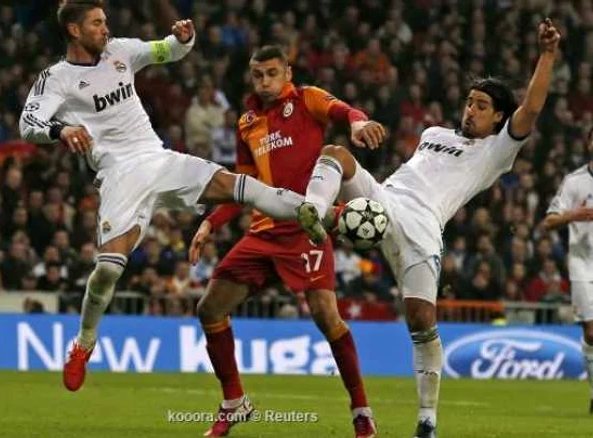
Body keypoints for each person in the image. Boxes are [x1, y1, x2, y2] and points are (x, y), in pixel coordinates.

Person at [19, 1, 304, 392]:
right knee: (108, 271)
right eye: (97, 23)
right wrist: (60, 131)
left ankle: (311, 212)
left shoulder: (120, 51)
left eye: (105, 21)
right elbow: (28, 122)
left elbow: (164, 50)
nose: (106, 28)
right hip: (119, 176)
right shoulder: (57, 79)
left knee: (236, 185)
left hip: (158, 158)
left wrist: (182, 38)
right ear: (74, 30)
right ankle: (84, 343)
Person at [297, 19, 561, 438]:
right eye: (469, 102)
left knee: (420, 320)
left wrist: (546, 55)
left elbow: (530, 108)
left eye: (480, 106)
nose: (470, 110)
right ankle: (313, 211)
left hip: (424, 228)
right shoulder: (432, 133)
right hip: (387, 200)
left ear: (498, 118)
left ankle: (426, 421)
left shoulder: (497, 151)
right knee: (336, 153)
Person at [188, 45, 385, 438]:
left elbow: (345, 112)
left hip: (305, 230)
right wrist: (212, 222)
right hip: (263, 231)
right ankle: (234, 402)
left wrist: (359, 124)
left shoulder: (307, 99)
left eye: (272, 73)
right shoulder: (246, 122)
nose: (264, 82)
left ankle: (362, 411)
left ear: (288, 73)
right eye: (257, 75)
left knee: (327, 317)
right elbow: (243, 186)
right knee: (209, 308)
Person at [539, 127, 593, 414]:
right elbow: (548, 222)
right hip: (583, 262)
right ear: (589, 143)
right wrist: (574, 214)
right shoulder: (575, 182)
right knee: (592, 332)